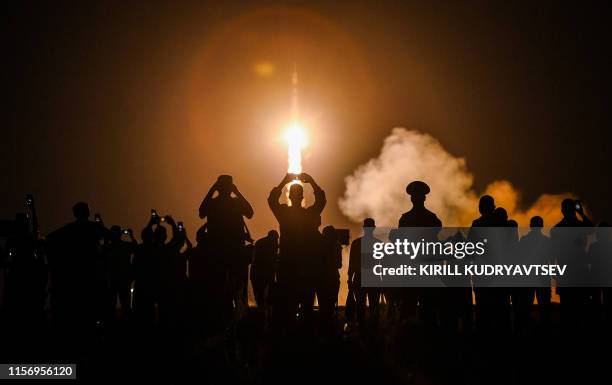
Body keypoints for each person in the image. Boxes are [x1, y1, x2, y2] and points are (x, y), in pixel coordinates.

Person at [268, 172, 326, 326]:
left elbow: (271, 200)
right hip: (305, 265)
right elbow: (321, 201)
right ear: (301, 197)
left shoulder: (284, 214)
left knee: (286, 306)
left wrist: (283, 182)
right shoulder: (308, 215)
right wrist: (312, 182)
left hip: (287, 265)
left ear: (289, 196)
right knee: (306, 305)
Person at [199, 175, 254, 313]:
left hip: (218, 251)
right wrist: (237, 192)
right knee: (238, 287)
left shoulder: (213, 203)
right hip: (234, 251)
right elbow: (249, 212)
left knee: (219, 286)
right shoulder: (235, 203)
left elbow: (201, 212)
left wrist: (212, 190)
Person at [397, 181, 442, 323]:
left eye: (417, 196)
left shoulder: (406, 219)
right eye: (415, 196)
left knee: (415, 308)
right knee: (424, 309)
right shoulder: (432, 219)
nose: (415, 199)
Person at [348, 218, 382, 329]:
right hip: (373, 278)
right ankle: (373, 327)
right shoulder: (378, 244)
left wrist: (350, 279)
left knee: (360, 305)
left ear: (364, 228)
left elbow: (352, 263)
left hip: (360, 278)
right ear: (373, 228)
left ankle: (361, 327)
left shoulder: (357, 243)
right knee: (373, 305)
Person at [518, 216, 551, 327]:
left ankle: (525, 328)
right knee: (544, 307)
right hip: (542, 275)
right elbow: (551, 258)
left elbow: (520, 258)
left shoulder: (524, 240)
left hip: (529, 275)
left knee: (527, 306)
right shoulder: (547, 241)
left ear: (531, 225)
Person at [105, 225, 136, 321]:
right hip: (122, 280)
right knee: (124, 305)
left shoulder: (109, 247)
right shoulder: (125, 246)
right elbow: (136, 248)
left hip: (114, 280)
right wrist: (131, 236)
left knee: (112, 305)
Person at [317, 225, 342, 335]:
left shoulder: (320, 245)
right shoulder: (337, 246)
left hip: (323, 278)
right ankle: (329, 328)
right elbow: (339, 264)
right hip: (332, 278)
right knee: (330, 304)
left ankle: (324, 328)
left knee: (324, 305)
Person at [250, 230, 279, 310]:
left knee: (260, 297)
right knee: (265, 298)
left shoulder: (260, 243)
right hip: (263, 273)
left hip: (256, 273)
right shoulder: (270, 245)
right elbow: (270, 259)